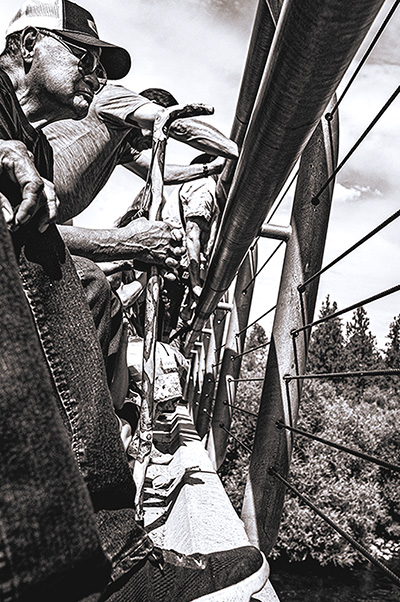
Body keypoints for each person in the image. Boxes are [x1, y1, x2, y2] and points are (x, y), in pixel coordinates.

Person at [0, 2, 268, 602]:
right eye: (82, 55)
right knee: (85, 277)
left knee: (85, 280)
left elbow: (149, 159)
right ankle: (106, 556)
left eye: (103, 63)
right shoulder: (39, 123)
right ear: (25, 46)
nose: (95, 72)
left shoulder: (34, 139)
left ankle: (106, 534)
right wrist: (126, 238)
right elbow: (113, 116)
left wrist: (195, 157)